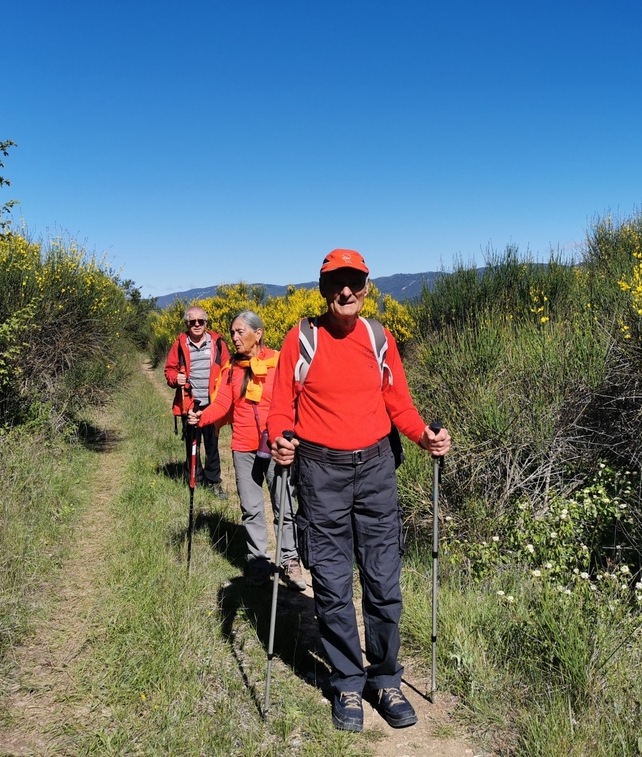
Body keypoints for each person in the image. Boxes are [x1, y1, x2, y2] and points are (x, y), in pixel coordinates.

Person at [267, 248, 451, 733]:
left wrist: (424, 437)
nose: (345, 292)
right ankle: (348, 682)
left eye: (354, 283)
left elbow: (400, 404)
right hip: (319, 470)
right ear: (323, 289)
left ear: (366, 287)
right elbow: (280, 406)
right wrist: (281, 439)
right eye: (335, 284)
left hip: (375, 470)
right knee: (330, 583)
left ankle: (384, 677)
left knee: (383, 580)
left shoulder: (377, 337)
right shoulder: (301, 338)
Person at [187, 311, 307, 590]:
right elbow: (221, 405)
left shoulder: (280, 362)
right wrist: (200, 417)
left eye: (241, 332)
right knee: (251, 509)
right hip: (243, 447)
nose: (235, 338)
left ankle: (290, 560)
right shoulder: (231, 369)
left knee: (285, 506)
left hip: (278, 446)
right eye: (232, 333)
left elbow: (300, 398)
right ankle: (258, 563)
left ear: (258, 333)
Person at [164, 305, 230, 498]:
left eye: (200, 321)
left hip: (213, 405)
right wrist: (176, 378)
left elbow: (227, 369)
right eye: (192, 322)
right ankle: (195, 479)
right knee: (192, 444)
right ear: (187, 323)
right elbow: (169, 370)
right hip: (190, 405)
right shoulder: (179, 344)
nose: (197, 325)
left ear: (206, 323)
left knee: (212, 444)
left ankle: (213, 482)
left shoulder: (217, 343)